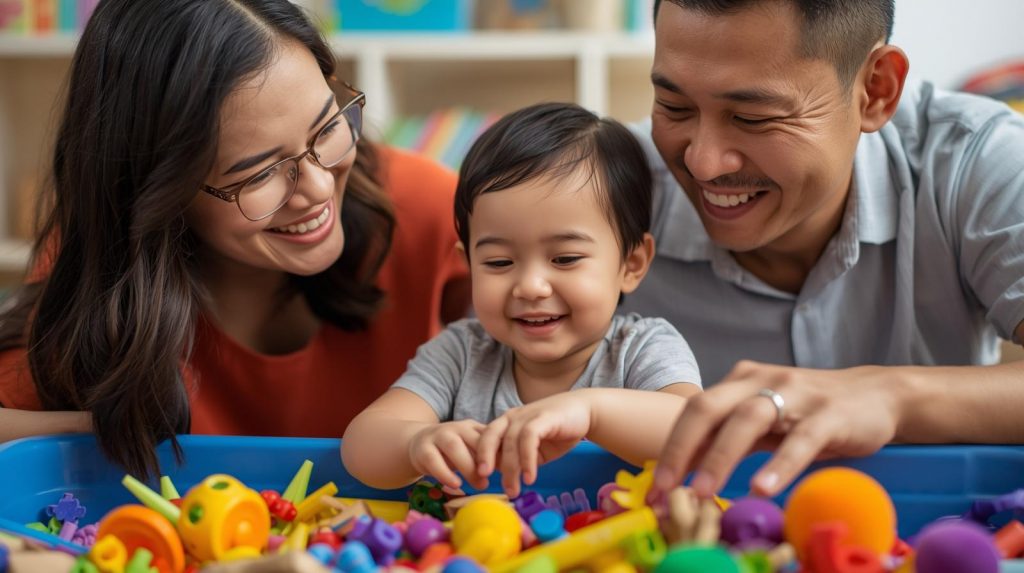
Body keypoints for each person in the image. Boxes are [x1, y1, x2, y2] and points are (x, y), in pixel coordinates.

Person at [0, 0, 469, 478]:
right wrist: (109, 426)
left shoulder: (425, 205)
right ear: (156, 188)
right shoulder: (111, 268)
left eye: (327, 126)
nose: (318, 187)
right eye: (259, 172)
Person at [624, 0, 1024, 502]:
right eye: (674, 107)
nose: (703, 163)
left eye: (752, 117)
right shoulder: (602, 187)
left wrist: (892, 396)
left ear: (875, 90)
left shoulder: (976, 161)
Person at [342, 103, 702, 497]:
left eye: (565, 259)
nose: (530, 287)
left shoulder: (642, 349)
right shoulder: (461, 354)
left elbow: (695, 433)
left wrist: (590, 411)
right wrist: (415, 443)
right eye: (499, 262)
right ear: (469, 265)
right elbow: (362, 444)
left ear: (631, 264)